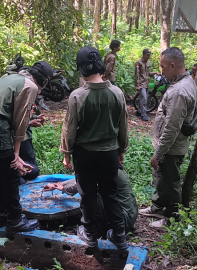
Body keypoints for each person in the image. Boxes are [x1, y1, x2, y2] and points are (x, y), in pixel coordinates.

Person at [0, 61, 54, 233]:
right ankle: (14, 219)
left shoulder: (13, 78)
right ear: (43, 81)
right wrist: (16, 154)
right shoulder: (30, 86)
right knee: (11, 174)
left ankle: (1, 215)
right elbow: (20, 122)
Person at [60, 46, 129, 250]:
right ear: (100, 65)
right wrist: (121, 150)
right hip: (109, 153)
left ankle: (89, 232)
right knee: (110, 193)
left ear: (81, 69)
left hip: (85, 154)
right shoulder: (117, 93)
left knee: (87, 194)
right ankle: (119, 234)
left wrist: (66, 153)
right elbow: (123, 126)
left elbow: (69, 128)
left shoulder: (77, 96)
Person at [139, 47, 197, 228]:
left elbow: (172, 126)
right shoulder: (184, 81)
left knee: (170, 182)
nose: (161, 70)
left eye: (163, 67)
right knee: (161, 177)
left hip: (172, 147)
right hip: (171, 145)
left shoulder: (180, 90)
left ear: (173, 65)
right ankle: (157, 207)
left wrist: (159, 152)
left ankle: (171, 219)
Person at [43, 164, 138, 235]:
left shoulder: (104, 173)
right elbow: (82, 180)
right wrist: (59, 185)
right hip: (130, 216)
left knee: (89, 195)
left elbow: (84, 184)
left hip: (123, 222)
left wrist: (63, 188)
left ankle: (93, 231)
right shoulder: (110, 167)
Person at [135, 48, 157, 122]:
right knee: (144, 99)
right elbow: (137, 74)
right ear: (144, 54)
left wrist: (154, 73)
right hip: (141, 83)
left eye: (149, 55)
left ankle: (139, 111)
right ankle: (143, 114)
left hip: (146, 83)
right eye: (147, 55)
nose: (149, 56)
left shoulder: (147, 62)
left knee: (145, 98)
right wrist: (137, 84)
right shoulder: (138, 62)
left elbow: (147, 73)